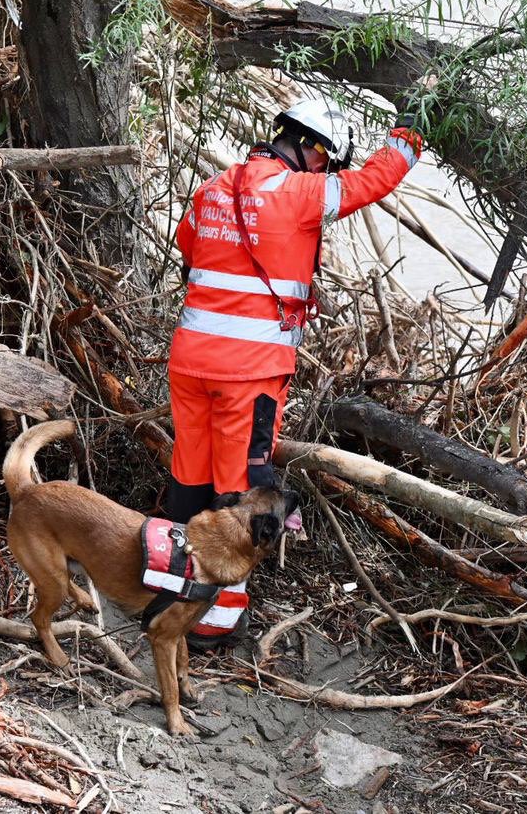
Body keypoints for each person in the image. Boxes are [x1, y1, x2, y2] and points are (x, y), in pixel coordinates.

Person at [161, 99, 424, 650]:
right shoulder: (302, 190)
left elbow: (192, 250)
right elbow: (372, 181)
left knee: (188, 477)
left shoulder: (214, 188)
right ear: (315, 149)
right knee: (240, 489)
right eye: (327, 161)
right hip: (248, 374)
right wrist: (411, 135)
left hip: (189, 363)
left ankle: (169, 587)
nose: (327, 171)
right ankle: (216, 621)